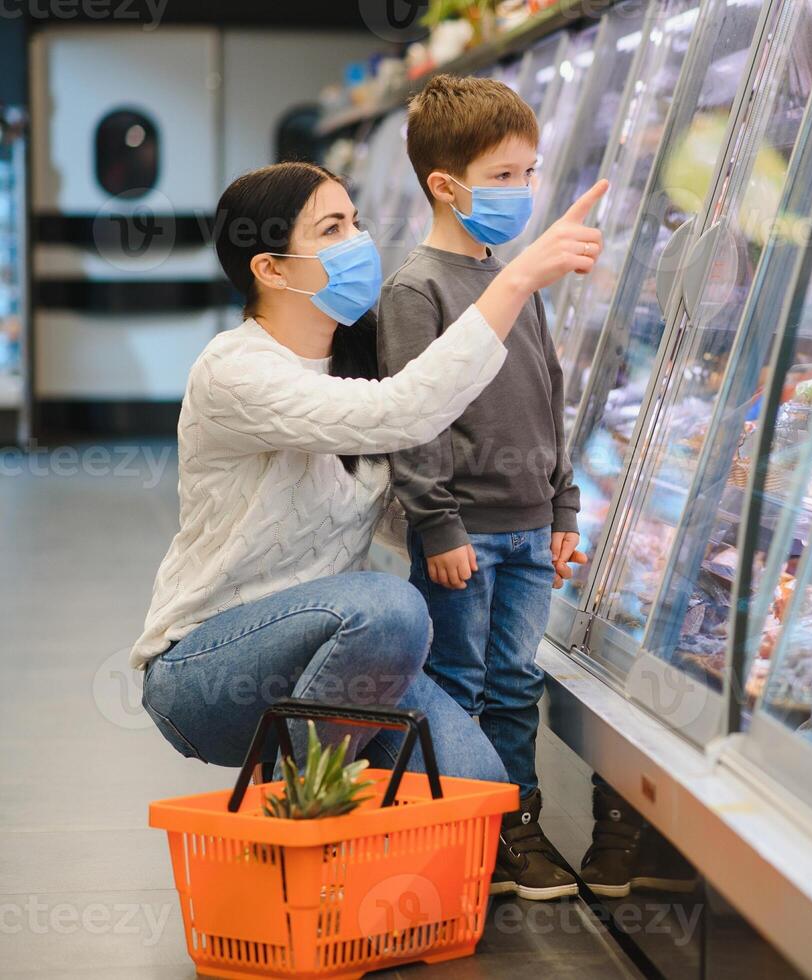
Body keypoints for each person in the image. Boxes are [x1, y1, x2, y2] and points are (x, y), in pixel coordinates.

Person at [131, 161, 605, 784]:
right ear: (270, 268)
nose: (357, 241)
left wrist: (529, 527)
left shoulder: (360, 355)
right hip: (209, 669)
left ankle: (347, 823)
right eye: (330, 229)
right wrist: (515, 279)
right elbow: (404, 412)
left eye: (354, 222)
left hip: (339, 656)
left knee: (477, 787)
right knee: (389, 607)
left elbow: (397, 507)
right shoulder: (235, 371)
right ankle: (302, 809)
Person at [377, 75, 592, 900]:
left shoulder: (514, 281)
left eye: (531, 174)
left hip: (530, 531)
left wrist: (561, 503)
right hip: (461, 534)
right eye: (504, 176)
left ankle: (516, 827)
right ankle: (460, 833)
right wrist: (436, 525)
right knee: (456, 687)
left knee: (515, 686)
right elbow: (412, 417)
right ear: (446, 184)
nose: (524, 191)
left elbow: (549, 390)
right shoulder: (415, 289)